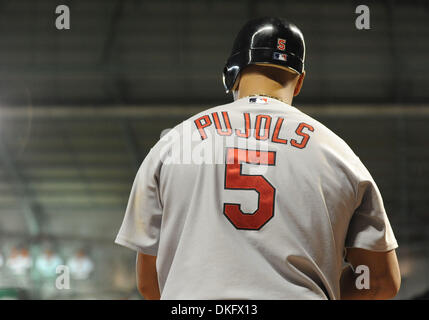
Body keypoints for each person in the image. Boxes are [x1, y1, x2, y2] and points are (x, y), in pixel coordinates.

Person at [115, 17, 400, 300]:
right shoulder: (339, 155)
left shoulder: (173, 145)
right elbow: (380, 282)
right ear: (299, 82)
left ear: (232, 74)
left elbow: (149, 283)